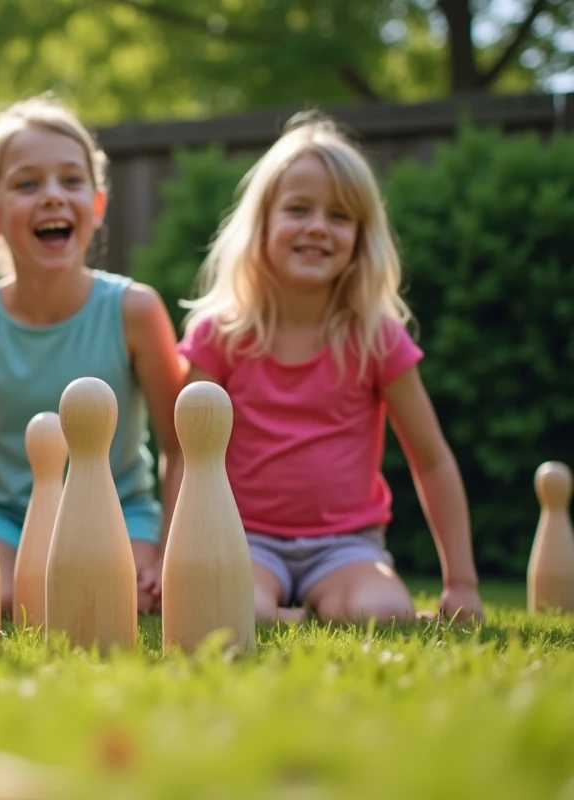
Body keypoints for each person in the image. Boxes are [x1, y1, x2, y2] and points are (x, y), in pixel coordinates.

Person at [177, 111, 484, 625]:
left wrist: (463, 583)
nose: (318, 227)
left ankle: (302, 610)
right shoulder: (219, 336)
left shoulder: (377, 339)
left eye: (339, 216)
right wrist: (179, 556)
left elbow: (431, 460)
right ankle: (293, 612)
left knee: (382, 611)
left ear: (361, 239)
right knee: (226, 608)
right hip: (241, 537)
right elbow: (184, 454)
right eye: (299, 209)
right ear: (263, 224)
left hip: (345, 547)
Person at [0, 94, 186, 616]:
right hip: (2, 515)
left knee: (118, 596)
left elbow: (181, 445)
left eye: (71, 180)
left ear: (97, 205)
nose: (53, 196)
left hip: (118, 511)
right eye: (27, 184)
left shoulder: (135, 311)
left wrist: (171, 551)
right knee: (7, 596)